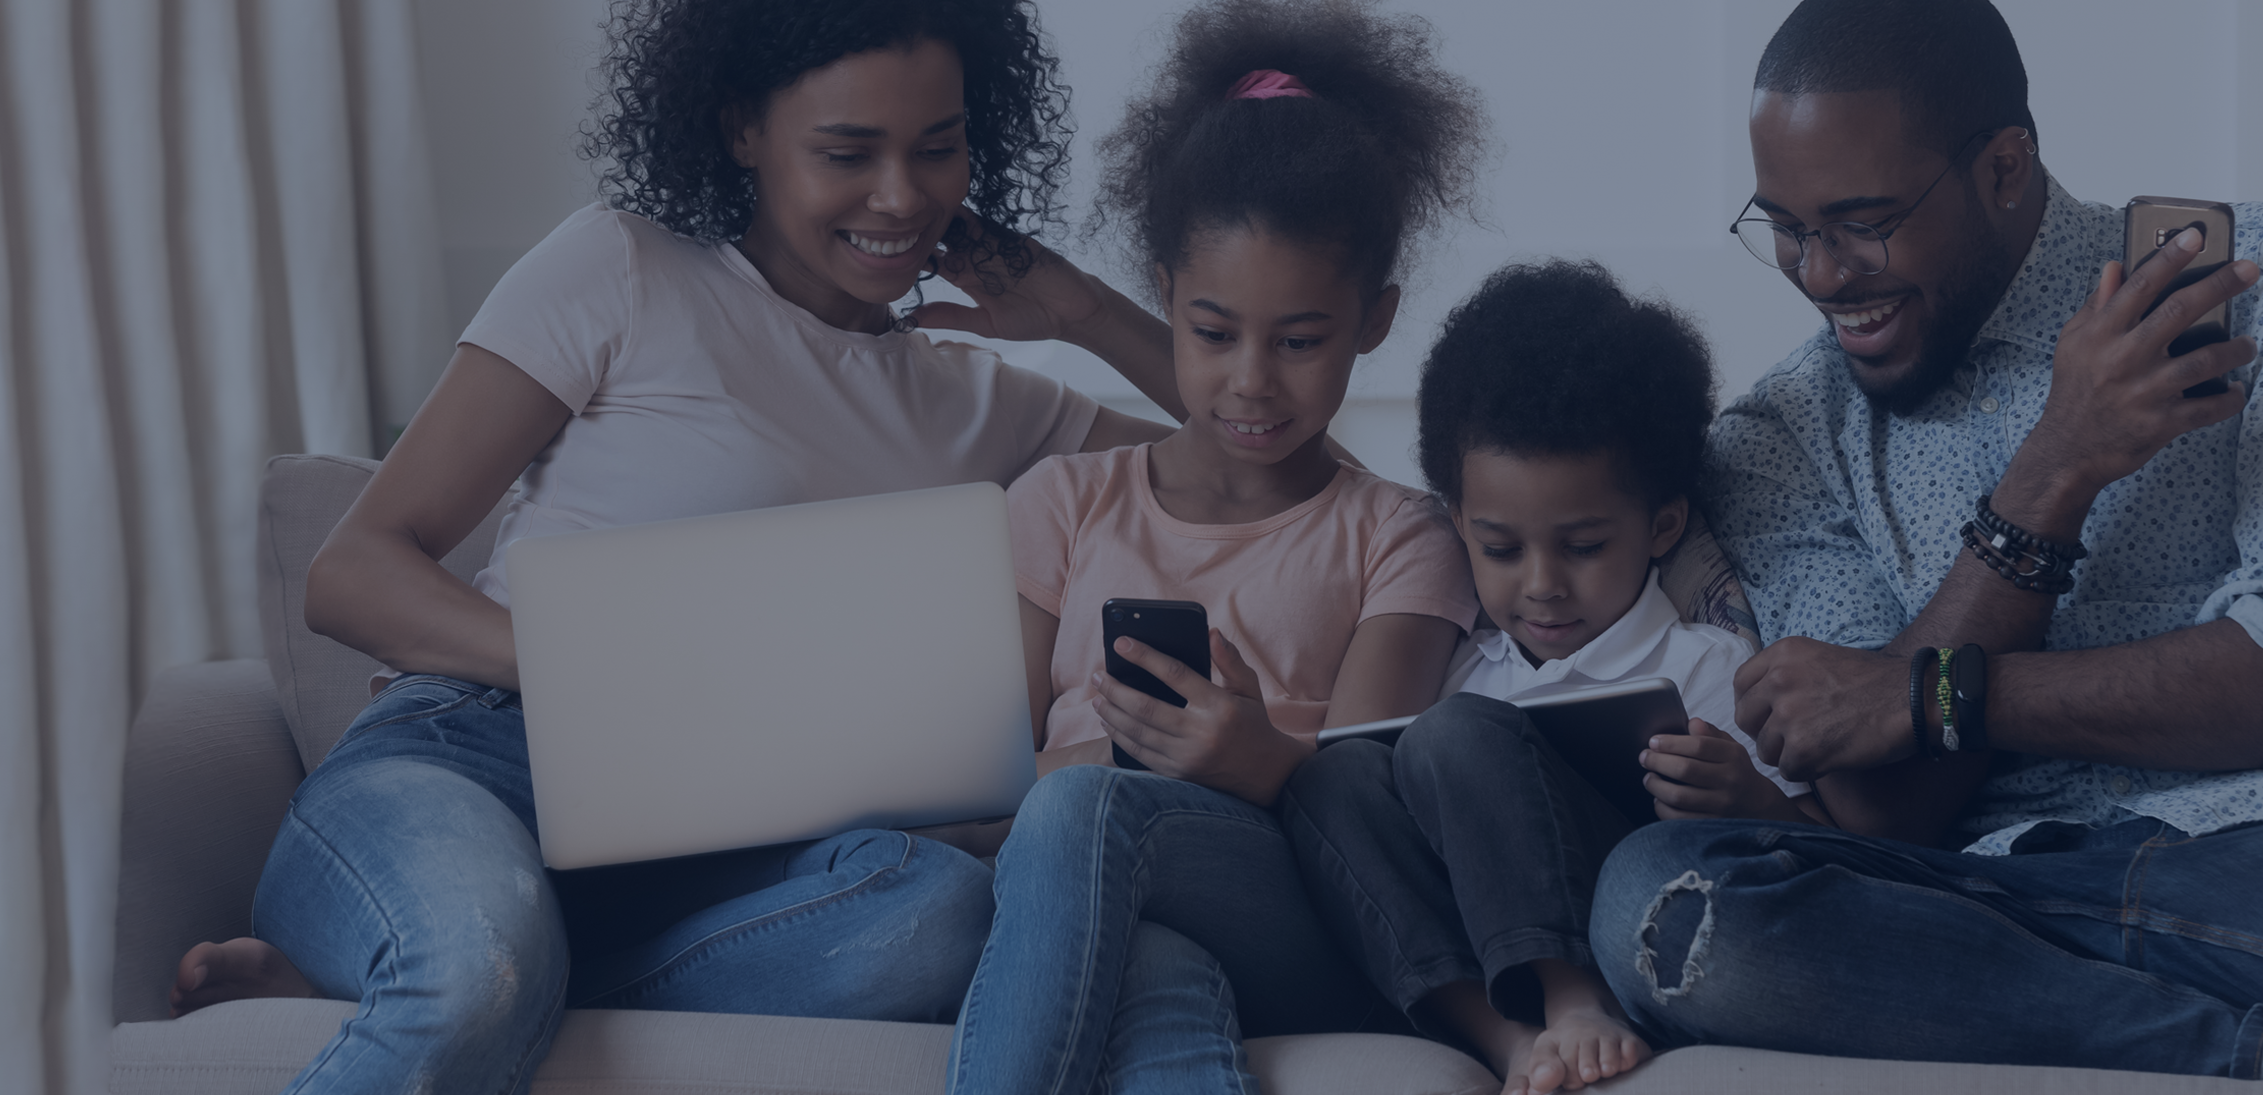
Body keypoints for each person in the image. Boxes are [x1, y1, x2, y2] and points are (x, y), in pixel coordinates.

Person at [1584, 3, 2263, 1094]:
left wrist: (1932, 697)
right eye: (1785, 225)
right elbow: (1883, 803)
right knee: (1662, 903)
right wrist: (2052, 470)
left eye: (1862, 222)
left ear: (2004, 167)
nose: (1819, 274)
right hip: (1971, 894)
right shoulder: (1780, 436)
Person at [164, 1, 1202, 1091]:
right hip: (479, 761)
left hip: (738, 858)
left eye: (937, 146)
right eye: (847, 152)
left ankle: (428, 983)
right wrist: (607, 671)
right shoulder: (622, 266)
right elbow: (354, 572)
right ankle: (451, 976)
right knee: (477, 963)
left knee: (935, 915)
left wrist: (1085, 312)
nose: (902, 196)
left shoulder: (993, 407)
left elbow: (1273, 457)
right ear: (741, 130)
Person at [946, 2, 1485, 1092]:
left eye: (1299, 341)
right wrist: (1109, 768)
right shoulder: (1061, 501)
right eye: (1211, 332)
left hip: (1303, 905)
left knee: (1080, 810)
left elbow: (1379, 819)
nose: (1250, 379)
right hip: (1098, 887)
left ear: (1372, 321)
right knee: (1150, 959)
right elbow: (967, 791)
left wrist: (1258, 763)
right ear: (1163, 300)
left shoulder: (1402, 535)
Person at [1285, 260, 1822, 1095]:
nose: (1538, 584)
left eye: (1581, 546)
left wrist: (1750, 795)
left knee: (1458, 733)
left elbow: (1817, 856)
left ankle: (1575, 997)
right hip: (1472, 949)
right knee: (1335, 775)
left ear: (1662, 524)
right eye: (1499, 548)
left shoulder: (1704, 668)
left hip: (1626, 928)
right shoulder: (1458, 658)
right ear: (1457, 523)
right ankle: (1504, 1038)